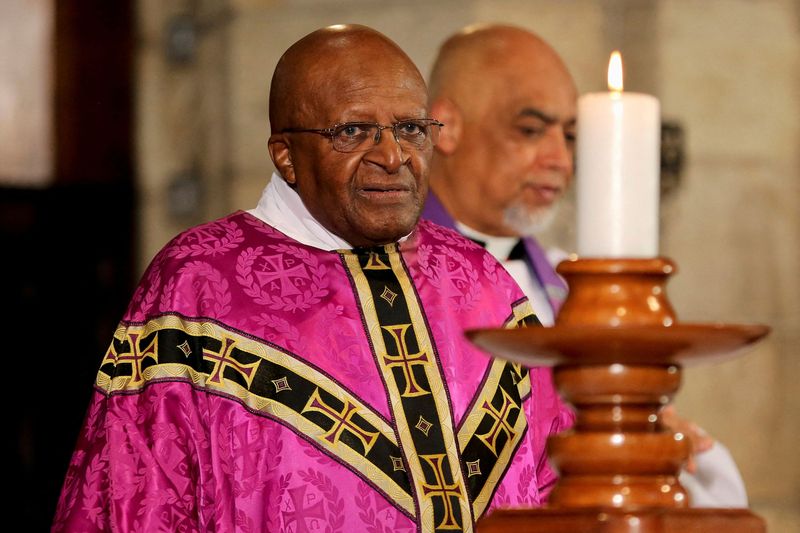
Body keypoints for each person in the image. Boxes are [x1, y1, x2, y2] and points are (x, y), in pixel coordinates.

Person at [53, 25, 573, 532]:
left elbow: (562, 483)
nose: (392, 157)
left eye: (411, 129)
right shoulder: (198, 286)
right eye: (352, 131)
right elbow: (130, 502)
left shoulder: (482, 282)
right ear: (286, 156)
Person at [422, 23, 748, 508]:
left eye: (571, 136)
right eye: (531, 130)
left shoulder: (570, 290)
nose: (561, 160)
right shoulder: (380, 281)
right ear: (445, 127)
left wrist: (649, 440)